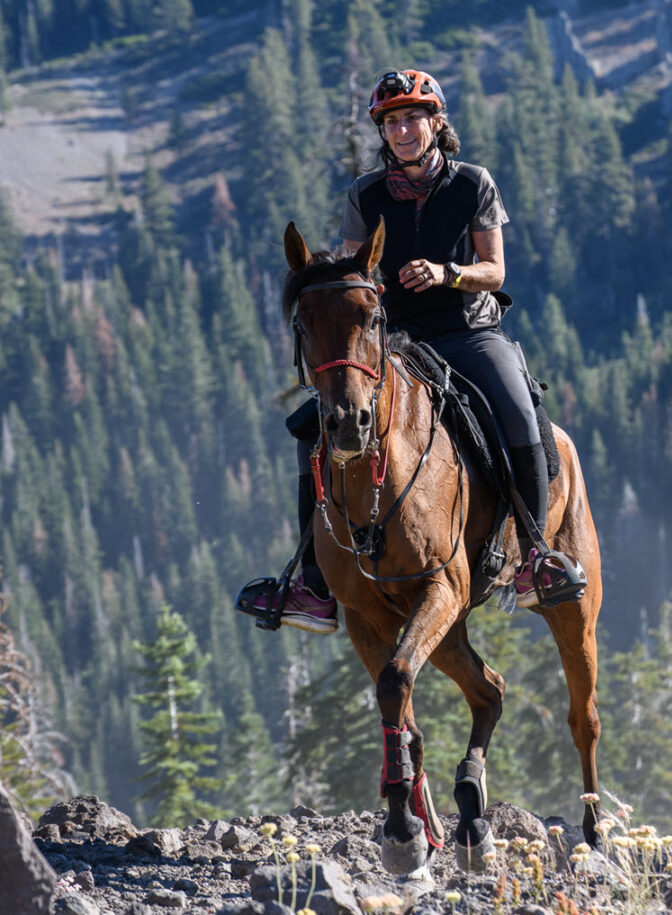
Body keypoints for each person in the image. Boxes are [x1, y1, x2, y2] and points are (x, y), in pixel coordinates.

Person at [255, 68, 584, 632]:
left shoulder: (473, 183)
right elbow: (358, 269)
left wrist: (447, 272)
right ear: (382, 132)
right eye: (391, 122)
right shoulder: (365, 193)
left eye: (412, 118)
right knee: (314, 425)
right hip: (400, 341)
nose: (402, 130)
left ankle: (535, 555)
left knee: (518, 407)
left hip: (469, 332)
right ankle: (312, 582)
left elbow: (495, 270)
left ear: (437, 122)